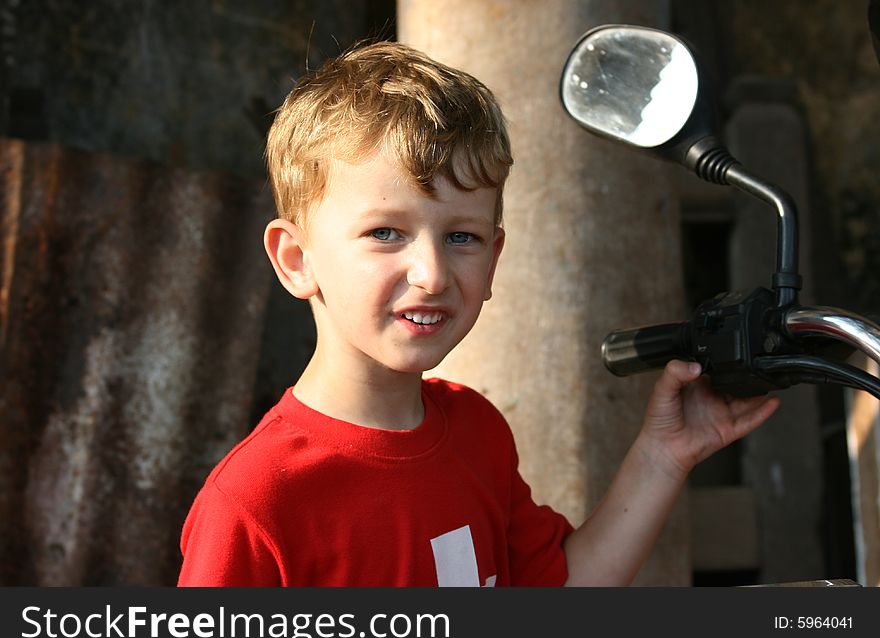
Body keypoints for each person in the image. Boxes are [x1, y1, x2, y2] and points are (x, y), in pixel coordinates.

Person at [177, 40, 779, 587]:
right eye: (386, 232)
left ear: (493, 259)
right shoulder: (256, 504)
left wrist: (662, 454)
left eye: (461, 237)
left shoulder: (477, 431)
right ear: (296, 259)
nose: (433, 274)